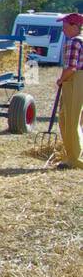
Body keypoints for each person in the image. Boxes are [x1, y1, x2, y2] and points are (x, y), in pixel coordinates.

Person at [56, 12, 83, 170]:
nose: (63, 30)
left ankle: (74, 158)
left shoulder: (73, 42)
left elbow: (71, 68)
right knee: (76, 119)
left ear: (74, 26)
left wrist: (61, 80)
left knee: (69, 120)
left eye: (65, 26)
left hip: (75, 82)